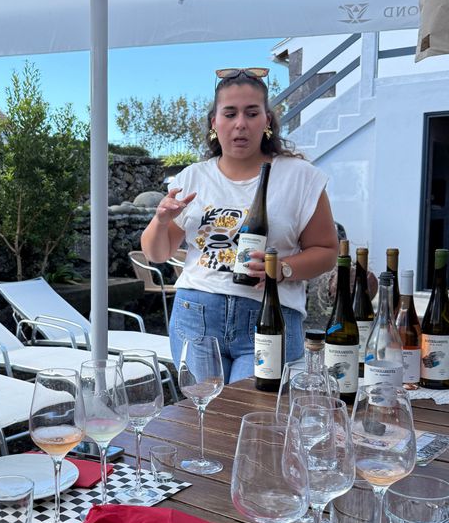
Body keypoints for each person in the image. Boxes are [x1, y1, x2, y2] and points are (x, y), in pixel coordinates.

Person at [141, 67, 338, 382]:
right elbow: (157, 253)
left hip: (270, 317)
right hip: (196, 315)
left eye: (251, 113)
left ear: (267, 120)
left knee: (255, 412)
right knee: (202, 410)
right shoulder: (192, 177)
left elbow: (326, 251)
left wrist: (282, 268)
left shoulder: (300, 177)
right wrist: (160, 220)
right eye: (230, 113)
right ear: (214, 122)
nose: (240, 124)